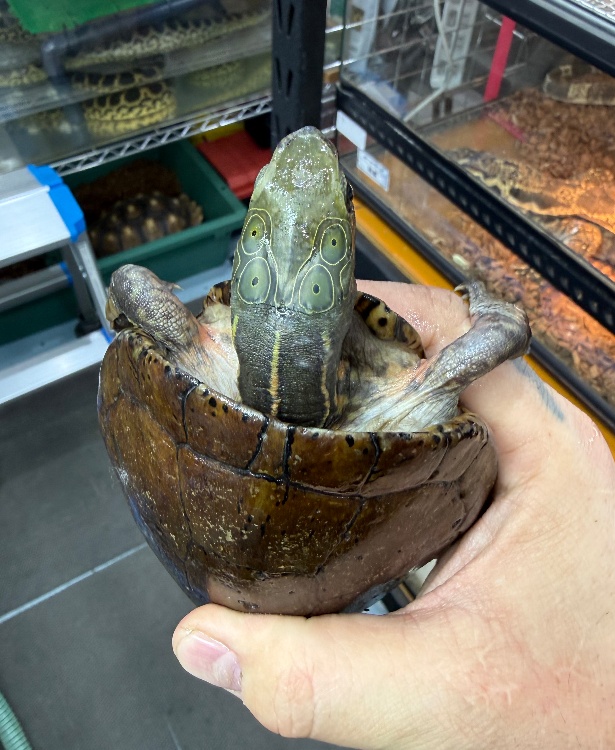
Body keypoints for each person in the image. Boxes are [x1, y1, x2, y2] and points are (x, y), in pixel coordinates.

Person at [171, 281, 615, 749]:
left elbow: (130, 284)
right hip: (371, 446)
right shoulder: (406, 385)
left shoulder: (210, 347)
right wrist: (490, 308)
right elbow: (508, 331)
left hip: (346, 418)